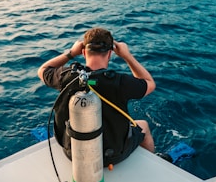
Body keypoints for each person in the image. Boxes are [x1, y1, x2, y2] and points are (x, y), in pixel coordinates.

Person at [38, 27, 156, 166]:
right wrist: (127, 56)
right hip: (113, 156)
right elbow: (150, 83)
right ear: (110, 54)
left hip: (73, 153)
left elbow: (42, 70)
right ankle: (154, 163)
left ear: (83, 52)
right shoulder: (120, 82)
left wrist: (71, 53)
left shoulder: (68, 77)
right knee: (144, 125)